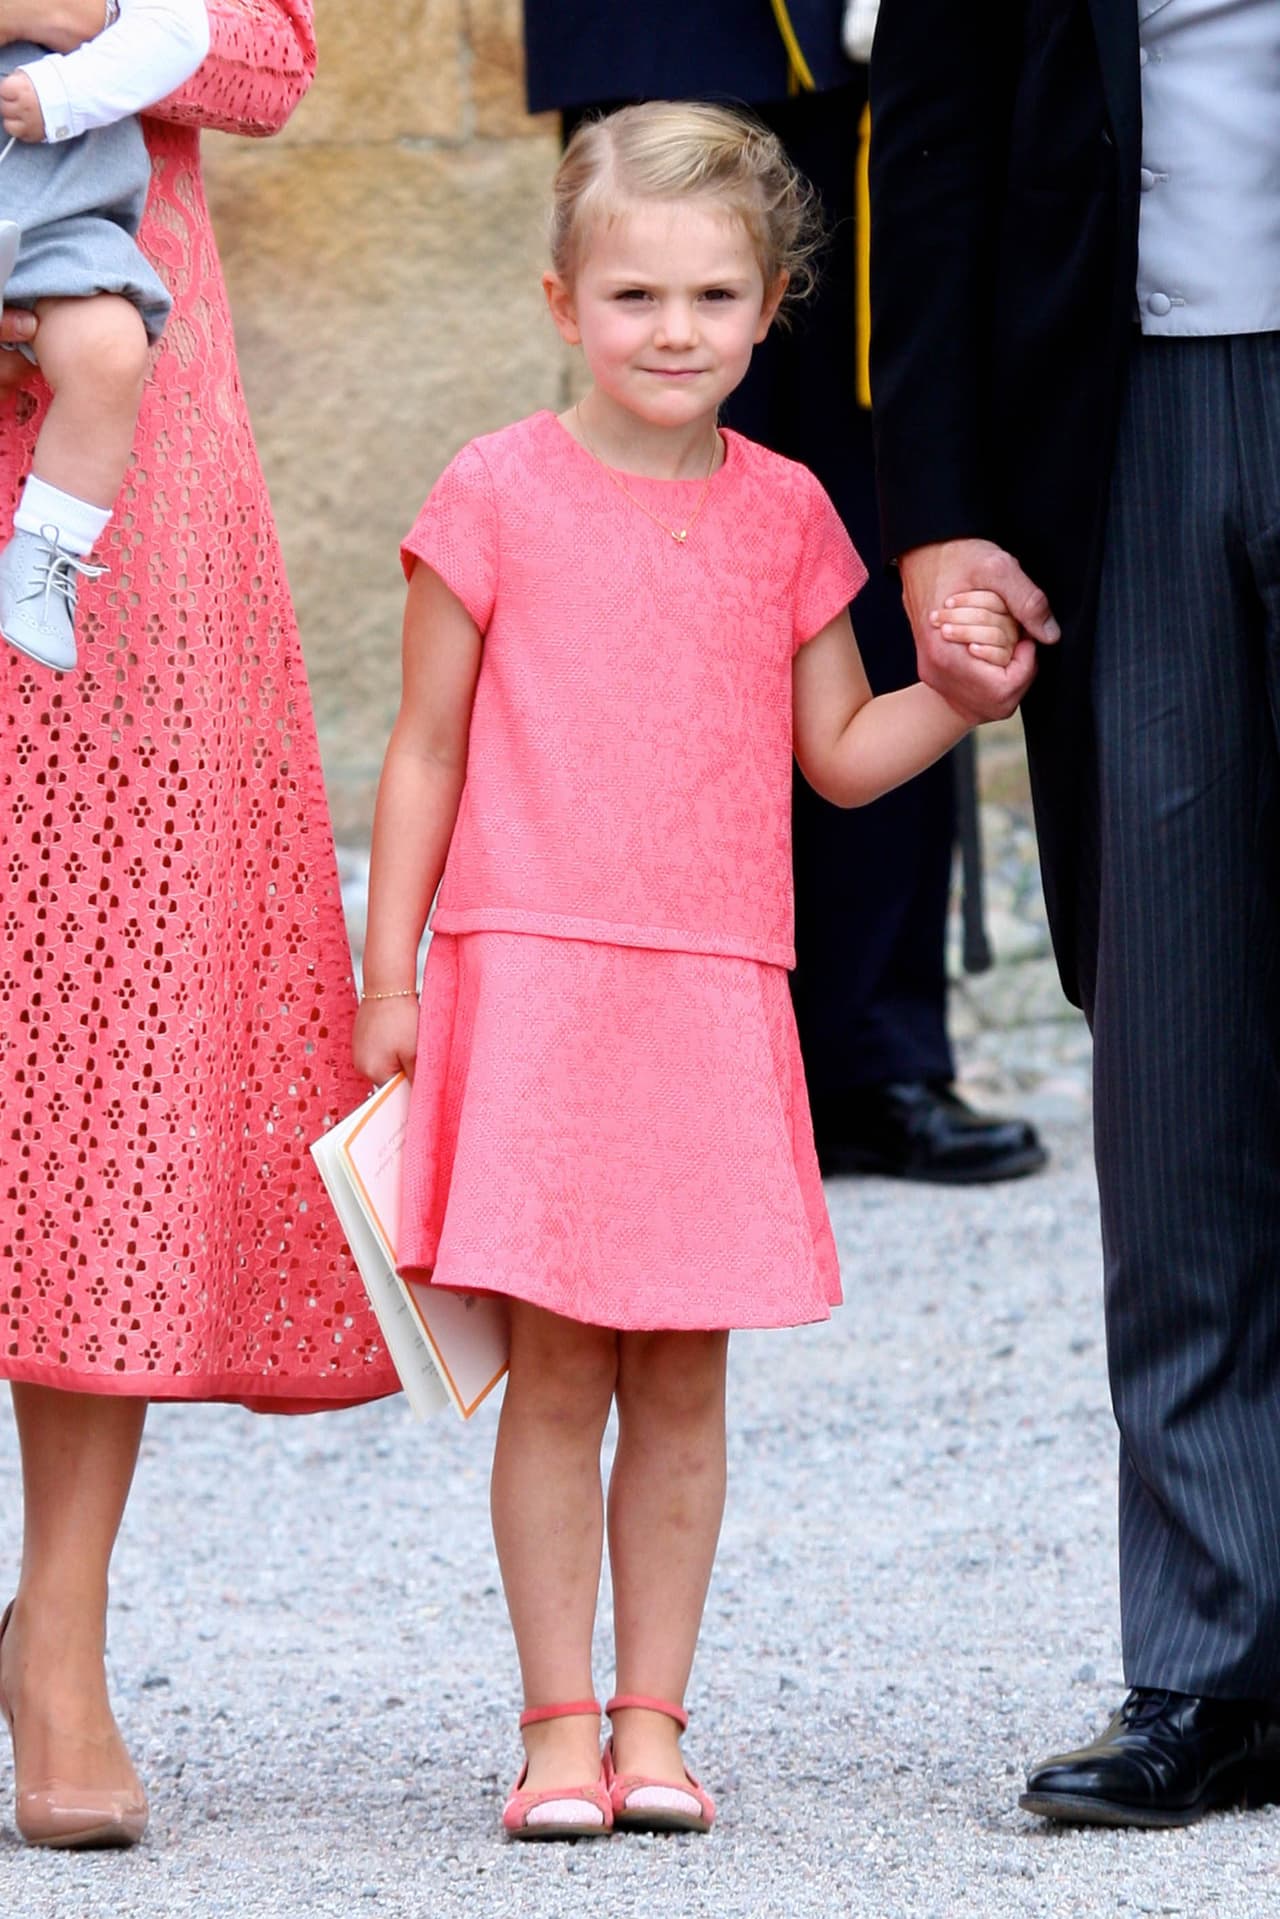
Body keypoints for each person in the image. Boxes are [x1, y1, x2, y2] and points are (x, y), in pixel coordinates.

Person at [354, 99, 1019, 1840]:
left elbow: (843, 756)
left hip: (714, 989)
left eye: (713, 296)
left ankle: (657, 1720)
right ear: (561, 299)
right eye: (635, 293)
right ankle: (554, 1726)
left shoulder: (793, 512)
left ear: (777, 302)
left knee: (685, 1373)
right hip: (539, 979)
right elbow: (424, 748)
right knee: (559, 1367)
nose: (673, 330)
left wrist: (955, 694)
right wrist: (392, 974)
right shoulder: (491, 491)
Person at [870, 0, 1280, 1829]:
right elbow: (938, 129)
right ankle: (1215, 1652)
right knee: (1174, 1040)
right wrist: (941, 506)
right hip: (1120, 417)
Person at [0, 0, 397, 1852]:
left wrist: (64, 12)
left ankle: (57, 1632)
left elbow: (268, 60)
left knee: (99, 1055)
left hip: (128, 476)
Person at [521, 0, 1046, 1186]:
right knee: (664, 547)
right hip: (677, 34)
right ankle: (651, 1058)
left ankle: (868, 1047)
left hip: (892, 58)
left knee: (877, 521)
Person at [0, 0, 209, 671]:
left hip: (61, 216)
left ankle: (44, 558)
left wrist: (62, 91)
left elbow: (181, 28)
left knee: (111, 349)